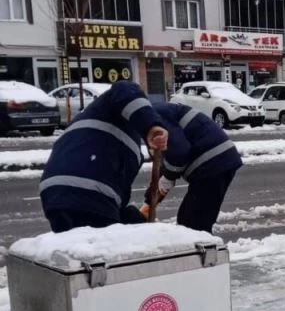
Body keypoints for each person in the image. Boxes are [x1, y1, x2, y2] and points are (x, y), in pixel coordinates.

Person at [39, 81, 168, 233]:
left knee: (77, 250)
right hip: (89, 190)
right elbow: (125, 88)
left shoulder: (102, 122)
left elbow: (118, 196)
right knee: (100, 250)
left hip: (54, 194)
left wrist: (136, 220)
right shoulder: (112, 105)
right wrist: (152, 125)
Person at [142, 102, 243, 233]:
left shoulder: (153, 117)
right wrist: (149, 200)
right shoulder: (152, 116)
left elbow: (179, 153)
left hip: (213, 162)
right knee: (186, 221)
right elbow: (168, 158)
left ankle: (206, 252)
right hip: (214, 162)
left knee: (194, 225)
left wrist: (167, 178)